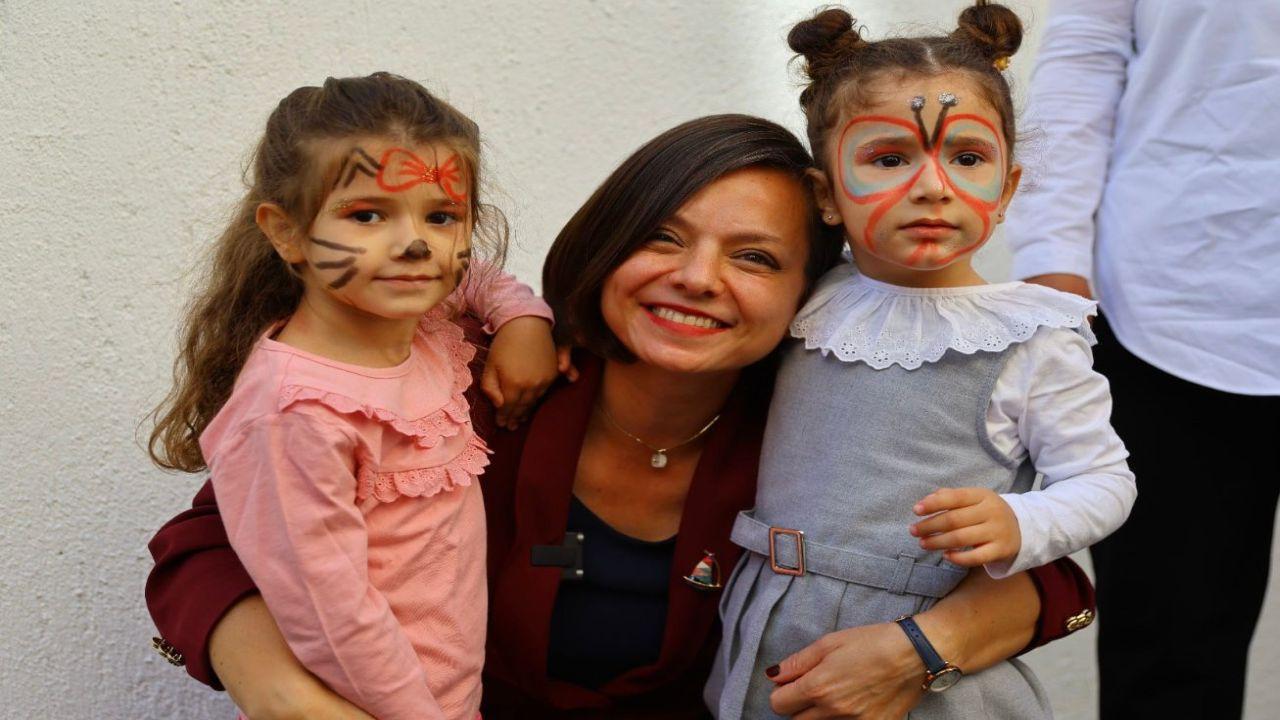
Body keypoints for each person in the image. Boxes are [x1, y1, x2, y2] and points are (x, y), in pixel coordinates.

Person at [146, 114, 1099, 720]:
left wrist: (920, 651)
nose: (696, 278)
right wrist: (281, 696)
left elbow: (1055, 581)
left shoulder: (832, 420)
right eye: (662, 237)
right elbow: (207, 544)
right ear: (606, 245)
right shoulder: (473, 380)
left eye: (756, 258)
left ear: (813, 295)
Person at [706, 4, 1137, 718]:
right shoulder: (812, 300)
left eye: (967, 158)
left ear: (1005, 190)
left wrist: (1020, 520)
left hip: (926, 652)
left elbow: (1104, 480)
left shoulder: (1031, 335)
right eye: (889, 159)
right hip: (772, 621)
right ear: (826, 194)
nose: (933, 186)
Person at [145, 72, 559, 720]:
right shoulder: (296, 415)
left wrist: (525, 321)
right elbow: (334, 620)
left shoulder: (420, 322)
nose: (415, 243)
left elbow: (478, 278)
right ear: (285, 233)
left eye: (442, 215)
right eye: (367, 215)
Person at [1005, 1, 1280, 716]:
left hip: (1175, 296)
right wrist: (1049, 261)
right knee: (1171, 659)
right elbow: (1088, 48)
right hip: (1173, 303)